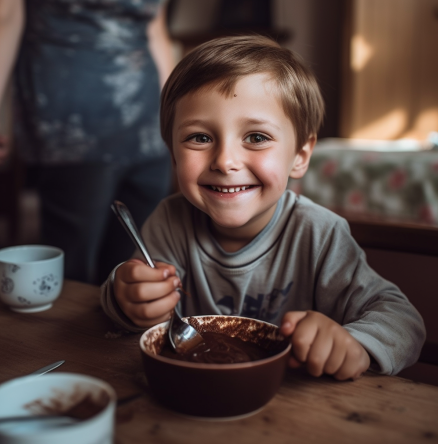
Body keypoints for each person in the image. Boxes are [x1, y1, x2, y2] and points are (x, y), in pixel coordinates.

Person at [101, 35, 426, 380]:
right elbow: (131, 303)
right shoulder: (170, 220)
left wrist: (354, 343)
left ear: (300, 156)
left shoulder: (319, 233)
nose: (225, 162)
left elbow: (402, 320)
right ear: (173, 153)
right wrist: (127, 300)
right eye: (200, 137)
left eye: (256, 137)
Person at [0, 0, 174, 284]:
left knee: (135, 260)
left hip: (147, 124)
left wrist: (175, 118)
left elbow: (156, 31)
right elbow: (6, 18)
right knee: (70, 266)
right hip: (72, 125)